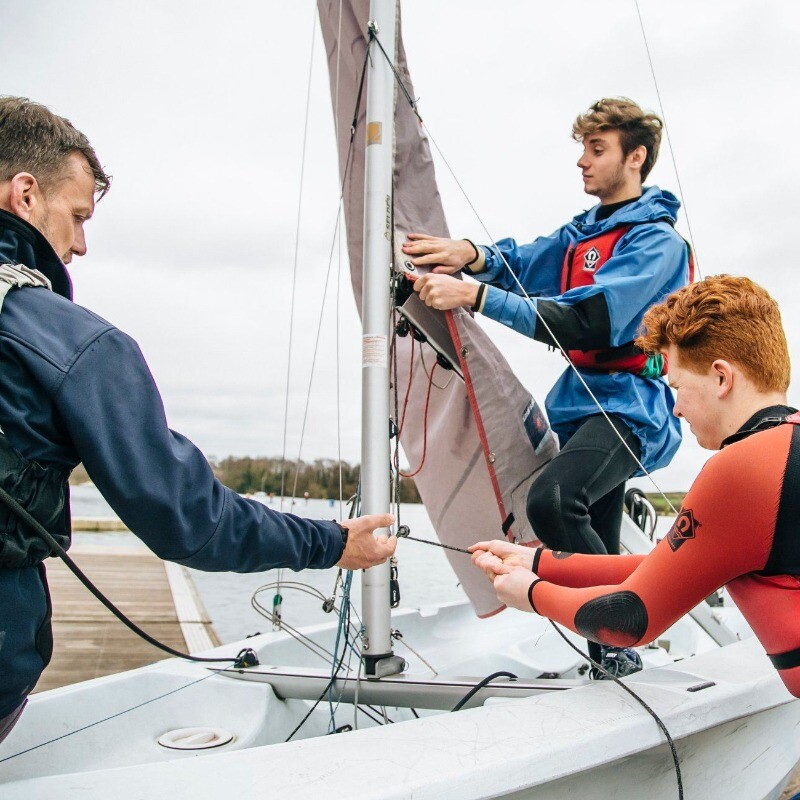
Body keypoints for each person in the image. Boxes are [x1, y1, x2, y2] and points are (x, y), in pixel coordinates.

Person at [0, 96, 396, 741]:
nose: (79, 245)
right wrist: (332, 543)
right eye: (75, 217)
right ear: (24, 195)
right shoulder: (75, 345)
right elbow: (190, 519)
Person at [403, 97, 692, 675]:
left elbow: (592, 319)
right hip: (579, 407)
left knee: (555, 502)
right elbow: (527, 259)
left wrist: (477, 295)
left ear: (635, 157)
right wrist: (471, 255)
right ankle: (613, 662)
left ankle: (624, 631)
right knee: (597, 537)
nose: (582, 161)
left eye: (597, 148)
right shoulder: (582, 234)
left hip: (631, 409)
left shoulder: (658, 244)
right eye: (582, 148)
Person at [470, 275, 800, 698]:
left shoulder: (741, 468)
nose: (676, 408)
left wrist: (531, 594)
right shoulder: (782, 450)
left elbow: (631, 617)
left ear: (721, 378)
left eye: (678, 386)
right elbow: (662, 568)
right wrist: (534, 561)